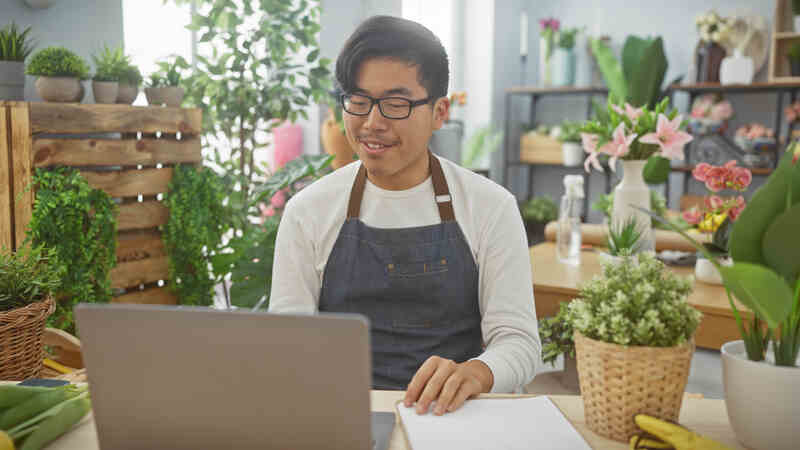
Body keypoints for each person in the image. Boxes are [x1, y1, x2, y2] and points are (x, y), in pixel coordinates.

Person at [269, 15, 540, 415]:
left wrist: (477, 372)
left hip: (453, 415)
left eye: (395, 104)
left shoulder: (489, 206)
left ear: (440, 112)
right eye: (359, 103)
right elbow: (288, 341)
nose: (372, 123)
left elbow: (518, 341)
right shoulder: (308, 211)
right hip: (343, 414)